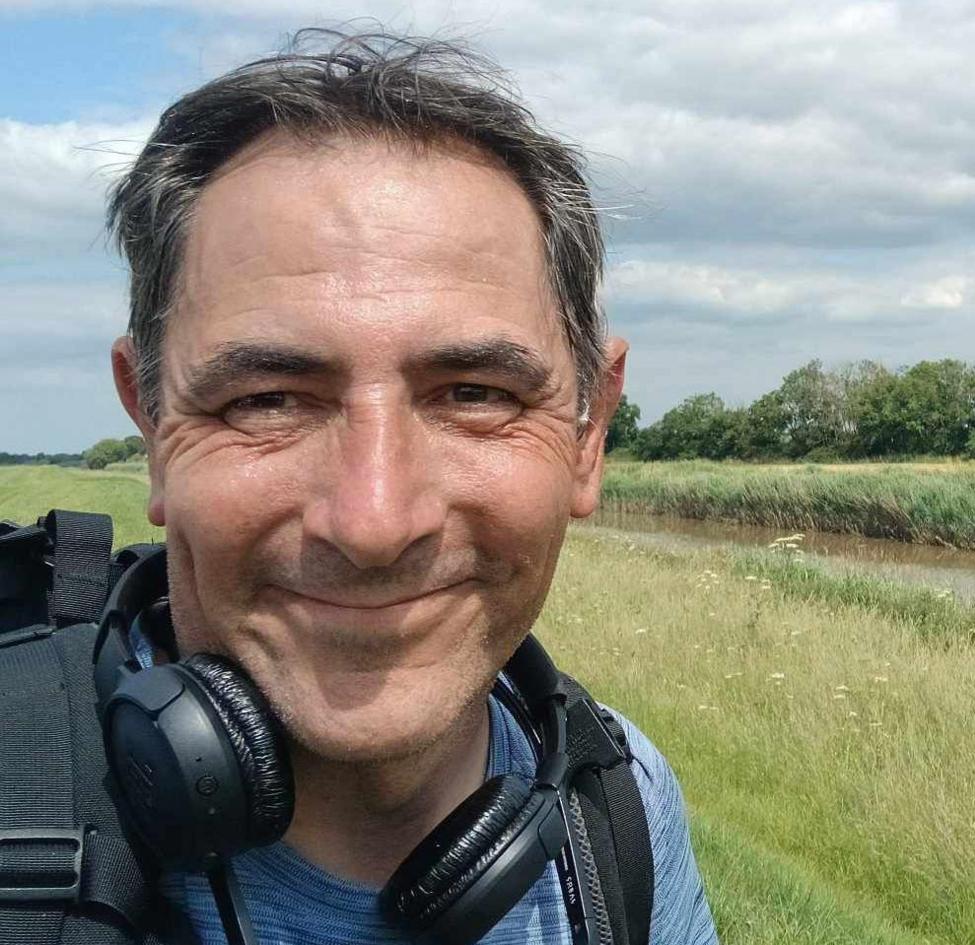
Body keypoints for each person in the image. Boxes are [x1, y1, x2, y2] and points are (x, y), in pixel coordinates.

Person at [89, 27, 717, 945]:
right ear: (153, 426)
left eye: (473, 394)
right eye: (267, 400)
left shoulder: (619, 804)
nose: (375, 522)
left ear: (588, 432)